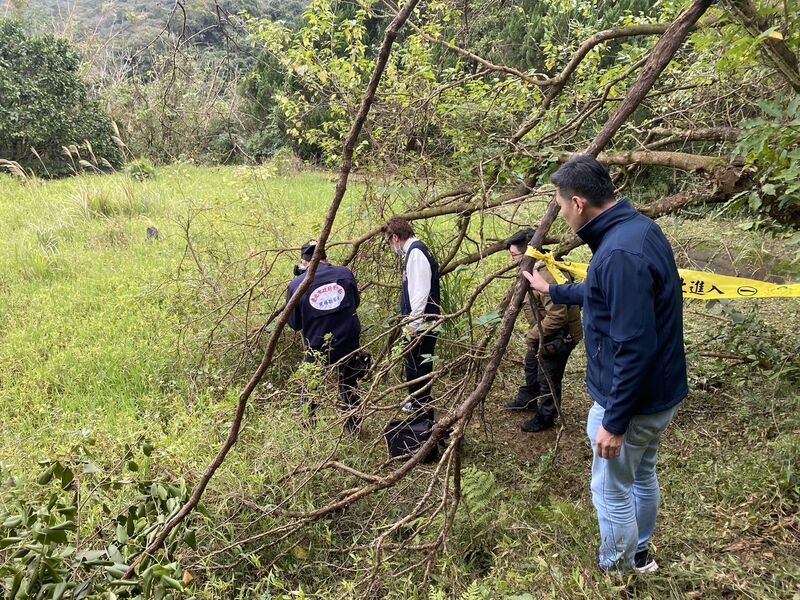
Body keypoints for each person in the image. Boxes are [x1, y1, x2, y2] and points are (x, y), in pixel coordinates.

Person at [523, 155, 687, 574]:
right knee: (642, 474)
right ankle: (641, 555)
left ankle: (616, 571)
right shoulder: (636, 230)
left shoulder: (619, 253)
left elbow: (633, 345)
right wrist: (555, 290)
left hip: (631, 403)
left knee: (611, 489)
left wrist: (614, 421)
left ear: (578, 202)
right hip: (658, 396)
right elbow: (606, 295)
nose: (560, 213)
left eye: (560, 204)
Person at [505, 229, 582, 432]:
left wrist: (532, 335)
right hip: (544, 332)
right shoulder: (532, 269)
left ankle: (546, 416)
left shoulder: (546, 275)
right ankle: (528, 397)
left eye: (514, 255)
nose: (511, 260)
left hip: (560, 336)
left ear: (527, 254)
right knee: (532, 363)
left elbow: (557, 316)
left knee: (548, 375)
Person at [287, 241, 363, 433]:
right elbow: (356, 302)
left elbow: (295, 324)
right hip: (348, 341)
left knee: (311, 387)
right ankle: (353, 428)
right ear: (325, 257)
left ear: (303, 262)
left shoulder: (297, 285)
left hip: (317, 346)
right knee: (350, 384)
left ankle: (309, 431)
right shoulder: (345, 274)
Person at [383, 217, 441, 422]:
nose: (392, 247)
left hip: (422, 322)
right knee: (413, 362)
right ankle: (416, 400)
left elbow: (420, 292)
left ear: (396, 237)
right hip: (418, 321)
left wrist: (413, 325)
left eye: (390, 242)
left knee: (419, 364)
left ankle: (422, 407)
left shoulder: (416, 254)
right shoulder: (414, 252)